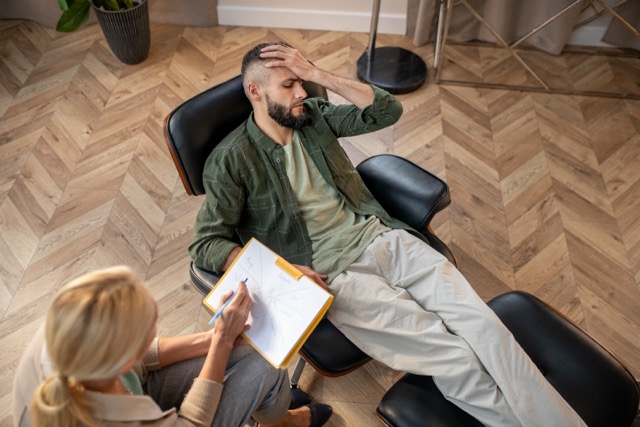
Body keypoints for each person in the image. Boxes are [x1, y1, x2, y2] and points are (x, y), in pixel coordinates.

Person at [189, 41, 587, 427]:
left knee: (487, 328)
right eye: (288, 84)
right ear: (255, 91)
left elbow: (386, 110)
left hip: (386, 238)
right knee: (453, 359)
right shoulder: (231, 161)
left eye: (301, 81)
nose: (301, 92)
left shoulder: (313, 114)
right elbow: (206, 244)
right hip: (335, 276)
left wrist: (316, 73)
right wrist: (283, 270)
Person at [12, 266, 333, 427]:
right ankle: (281, 417)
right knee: (265, 366)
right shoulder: (111, 420)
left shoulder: (71, 330)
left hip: (137, 392)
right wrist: (220, 342)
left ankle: (276, 410)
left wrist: (215, 338)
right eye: (147, 329)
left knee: (257, 352)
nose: (154, 332)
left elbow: (147, 355)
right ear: (121, 361)